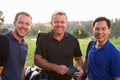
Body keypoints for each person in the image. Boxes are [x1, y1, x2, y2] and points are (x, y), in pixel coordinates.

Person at [34, 11, 83, 80]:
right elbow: (37, 60)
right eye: (56, 22)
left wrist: (79, 67)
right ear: (51, 23)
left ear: (66, 23)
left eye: (62, 22)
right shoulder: (43, 38)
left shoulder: (73, 40)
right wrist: (55, 67)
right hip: (46, 78)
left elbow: (78, 59)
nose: (59, 24)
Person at [1, 11, 32, 80]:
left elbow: (22, 66)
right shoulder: (2, 41)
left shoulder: (25, 46)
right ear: (14, 23)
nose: (24, 26)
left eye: (27, 24)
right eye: (21, 22)